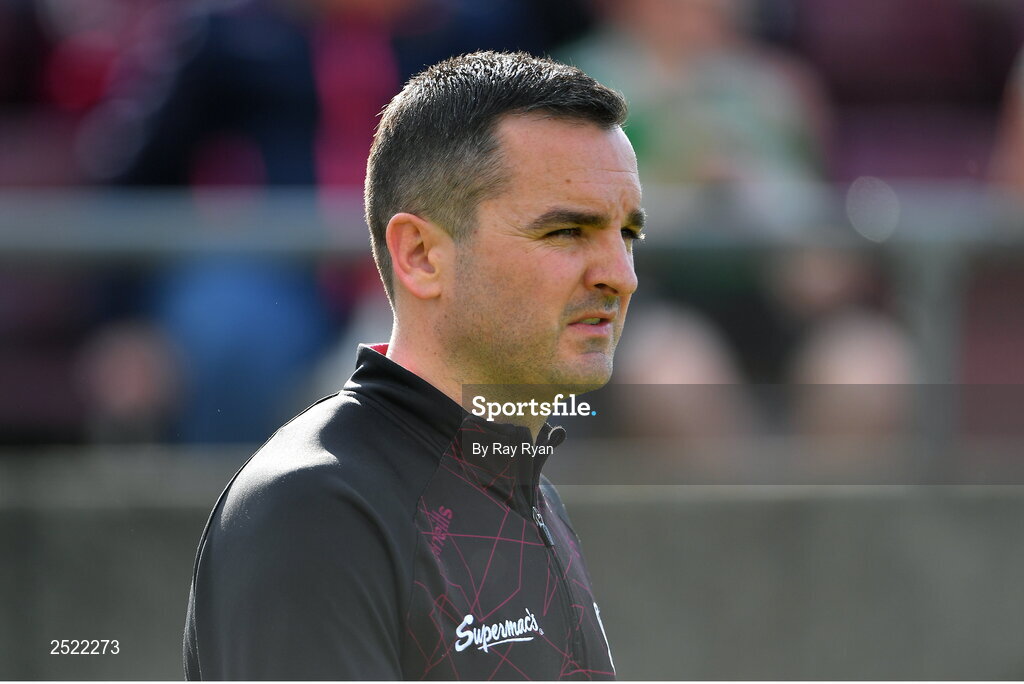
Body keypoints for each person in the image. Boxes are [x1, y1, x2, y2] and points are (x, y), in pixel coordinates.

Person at [184, 50, 641, 679]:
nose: (620, 275)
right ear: (422, 254)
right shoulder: (316, 507)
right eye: (567, 232)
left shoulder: (520, 488)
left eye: (628, 234)